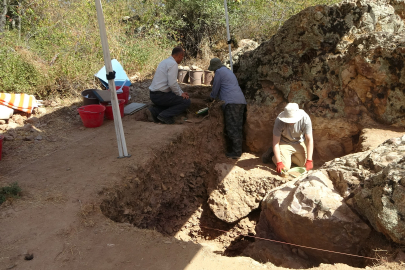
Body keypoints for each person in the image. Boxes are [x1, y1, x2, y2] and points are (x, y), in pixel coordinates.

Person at [207, 58, 247, 159]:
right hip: (240, 101)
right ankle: (237, 150)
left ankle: (236, 152)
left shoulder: (219, 72)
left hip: (231, 103)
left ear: (215, 68)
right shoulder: (228, 71)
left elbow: (215, 88)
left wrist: (211, 97)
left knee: (232, 127)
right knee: (238, 126)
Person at [265, 103, 314, 174]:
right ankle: (274, 156)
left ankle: (288, 157)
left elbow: (309, 140)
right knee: (286, 168)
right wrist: (279, 162)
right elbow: (276, 142)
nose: (290, 122)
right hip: (284, 143)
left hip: (299, 142)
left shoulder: (305, 118)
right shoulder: (279, 121)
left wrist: (309, 160)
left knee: (305, 166)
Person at [146, 47, 190, 124]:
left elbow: (172, 84)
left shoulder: (165, 61)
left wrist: (181, 92)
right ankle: (164, 116)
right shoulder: (173, 64)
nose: (182, 59)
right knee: (186, 102)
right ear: (180, 55)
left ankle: (154, 112)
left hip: (154, 95)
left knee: (173, 98)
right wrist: (180, 94)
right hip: (160, 96)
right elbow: (172, 83)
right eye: (182, 57)